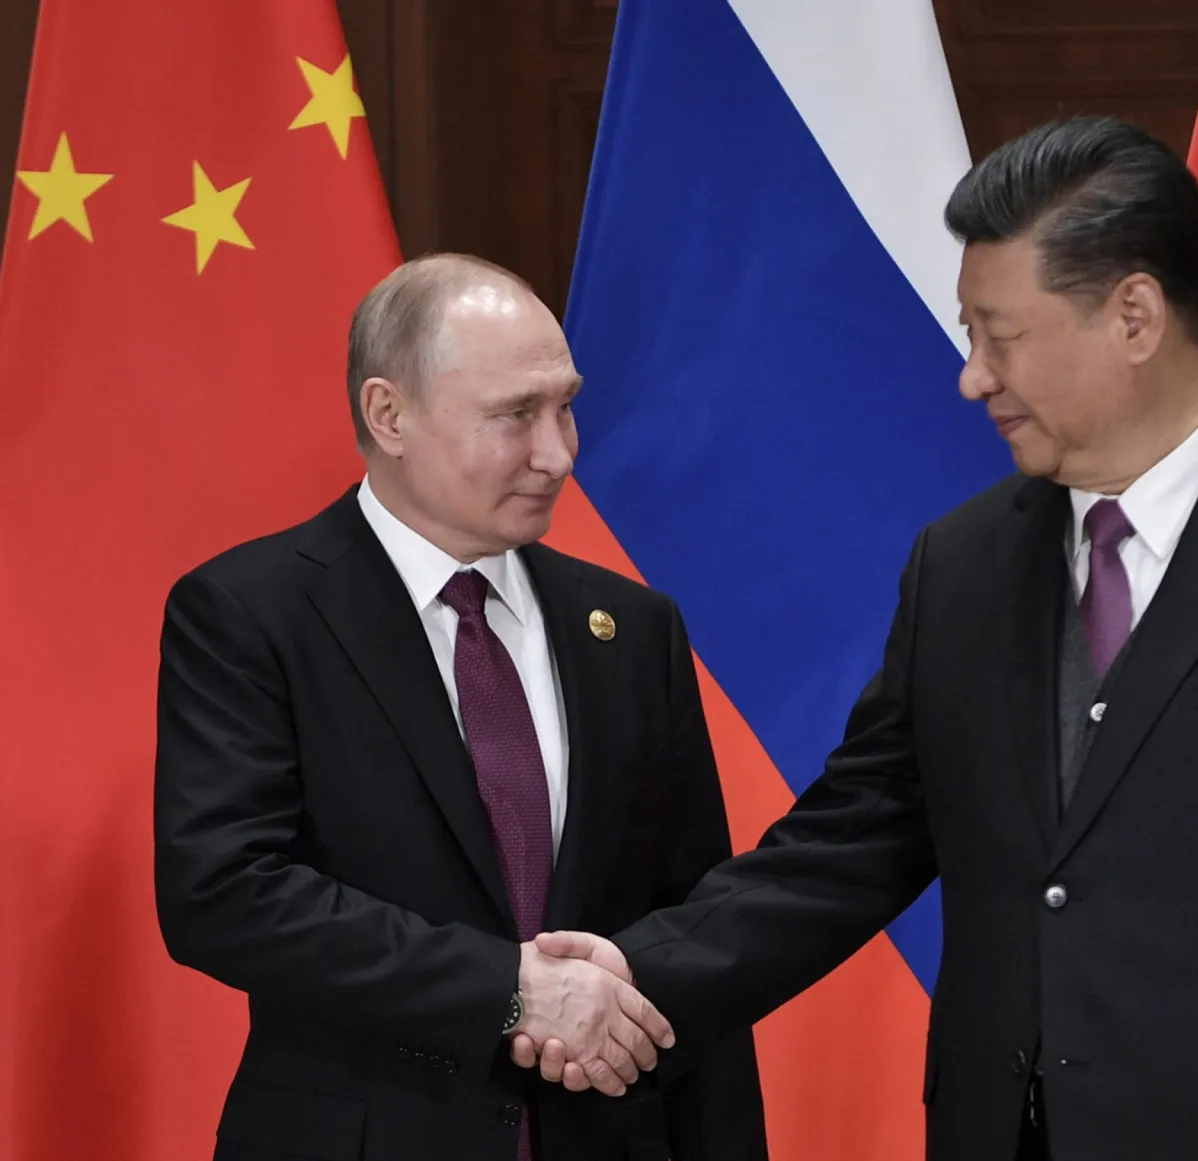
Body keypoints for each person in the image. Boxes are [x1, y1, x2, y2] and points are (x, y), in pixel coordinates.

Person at [517, 117, 1198, 1161]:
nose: (973, 377)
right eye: (970, 335)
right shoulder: (963, 565)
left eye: (999, 336)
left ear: (1134, 315)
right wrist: (638, 972)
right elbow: (850, 842)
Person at [153, 254, 767, 1161]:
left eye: (564, 406)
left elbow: (696, 931)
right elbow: (225, 893)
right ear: (388, 414)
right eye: (515, 415)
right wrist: (508, 989)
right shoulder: (251, 612)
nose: (558, 451)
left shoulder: (631, 628)